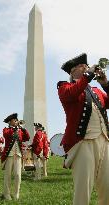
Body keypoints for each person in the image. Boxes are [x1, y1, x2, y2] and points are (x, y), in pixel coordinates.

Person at [57, 53, 109, 205]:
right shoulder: (64, 86)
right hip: (83, 142)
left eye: (87, 66)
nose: (86, 68)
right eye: (82, 66)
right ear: (73, 71)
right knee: (83, 191)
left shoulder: (95, 90)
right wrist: (89, 74)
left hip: (104, 140)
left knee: (107, 188)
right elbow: (72, 94)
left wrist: (105, 83)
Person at [1, 113, 30, 200]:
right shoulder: (6, 129)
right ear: (10, 122)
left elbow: (27, 137)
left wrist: (22, 128)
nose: (17, 122)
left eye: (17, 120)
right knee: (8, 175)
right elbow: (7, 135)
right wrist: (14, 128)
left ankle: (16, 193)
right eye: (15, 120)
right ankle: (6, 193)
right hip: (9, 155)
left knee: (18, 175)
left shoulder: (20, 130)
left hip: (18, 155)